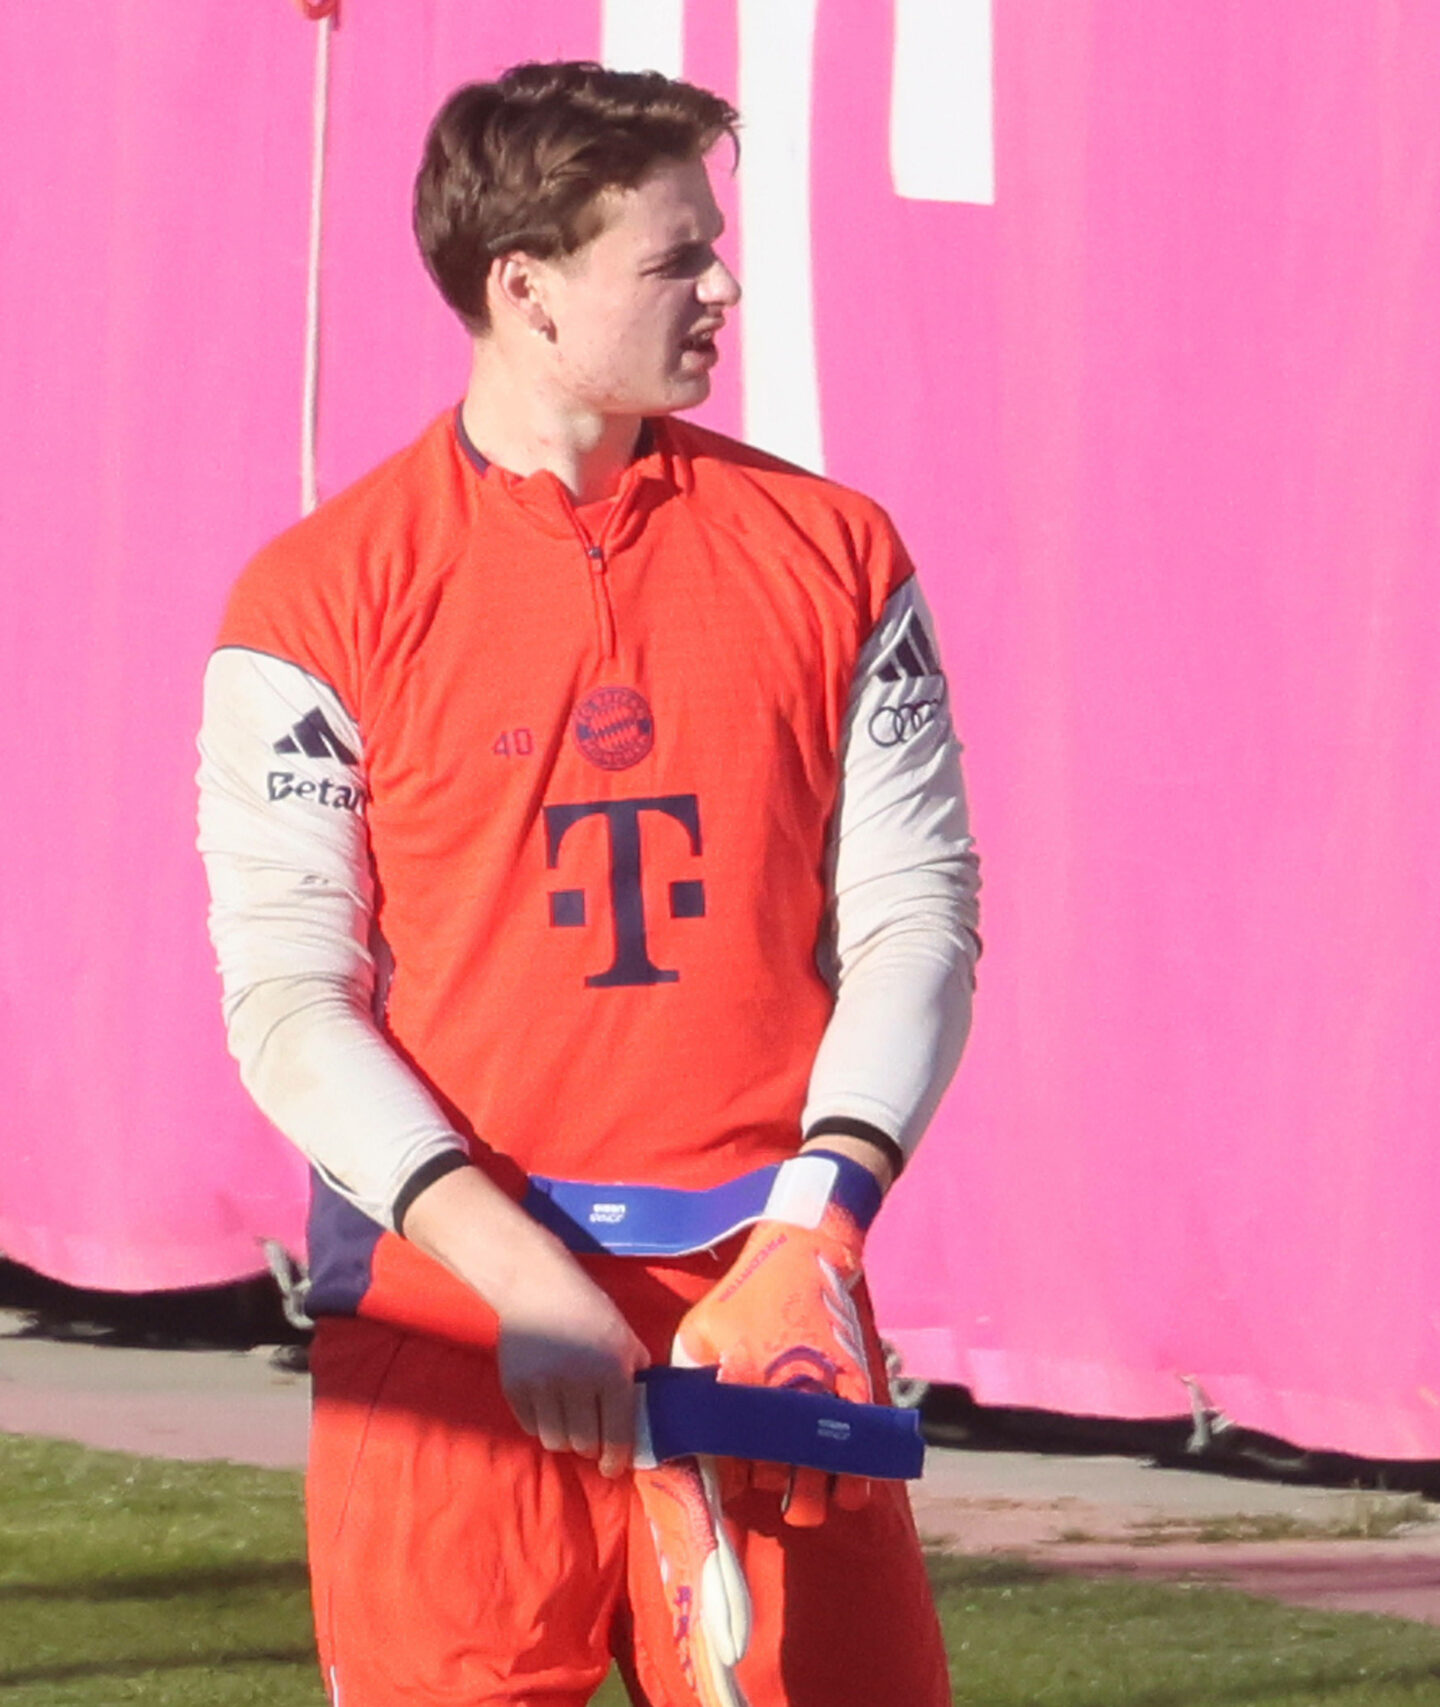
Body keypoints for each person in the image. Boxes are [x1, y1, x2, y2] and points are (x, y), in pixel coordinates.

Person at [196, 61, 977, 1706]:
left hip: (768, 1304)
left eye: (715, 245)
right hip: (455, 1325)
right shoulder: (319, 595)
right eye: (676, 258)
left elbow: (920, 917)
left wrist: (816, 1233)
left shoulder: (836, 550)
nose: (726, 287)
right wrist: (522, 1278)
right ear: (526, 290)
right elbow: (282, 998)